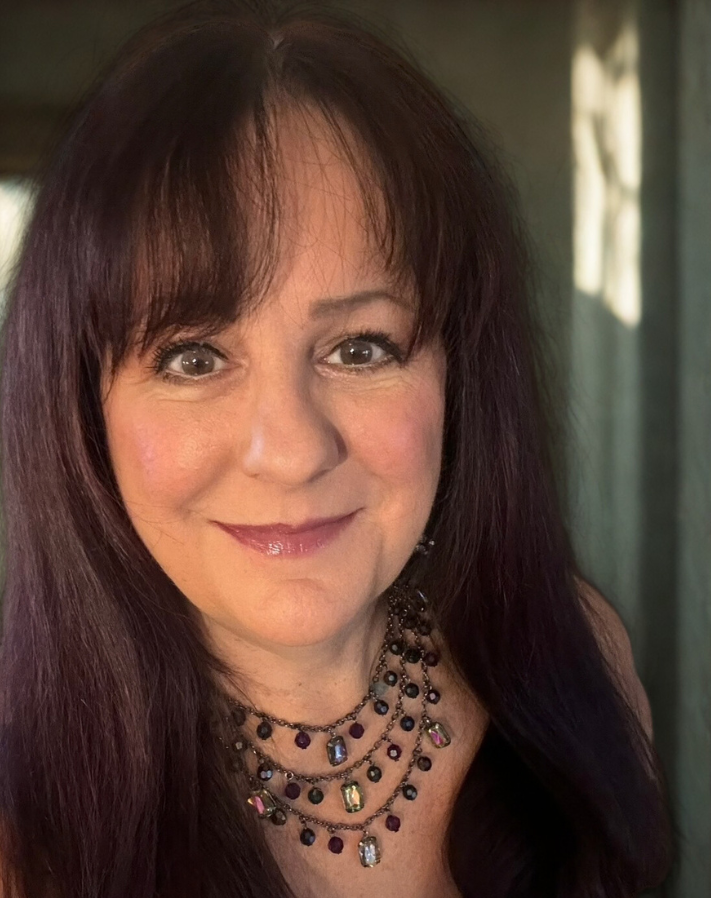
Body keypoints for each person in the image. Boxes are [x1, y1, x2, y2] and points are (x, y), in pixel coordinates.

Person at [0, 2, 672, 897]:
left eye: (360, 349)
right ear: (83, 408)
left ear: (459, 375)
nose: (290, 451)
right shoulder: (23, 837)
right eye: (194, 358)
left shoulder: (575, 660)